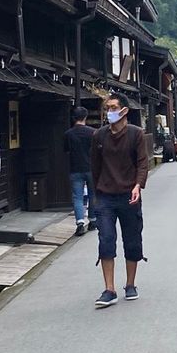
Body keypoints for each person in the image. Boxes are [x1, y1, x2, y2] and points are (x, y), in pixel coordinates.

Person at [89, 96, 149, 307]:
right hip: (105, 195)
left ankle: (130, 284)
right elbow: (95, 166)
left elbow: (142, 163)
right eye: (107, 108)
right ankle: (109, 289)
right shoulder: (99, 135)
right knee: (106, 239)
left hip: (129, 194)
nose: (109, 112)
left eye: (113, 107)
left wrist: (138, 185)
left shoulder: (136, 134)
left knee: (132, 240)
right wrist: (96, 192)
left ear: (124, 110)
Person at [63, 107, 94, 236]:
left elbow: (66, 150)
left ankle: (80, 223)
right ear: (85, 117)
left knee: (78, 197)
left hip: (75, 168)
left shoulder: (68, 134)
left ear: (73, 118)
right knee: (93, 195)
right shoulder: (92, 132)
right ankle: (93, 220)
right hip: (91, 168)